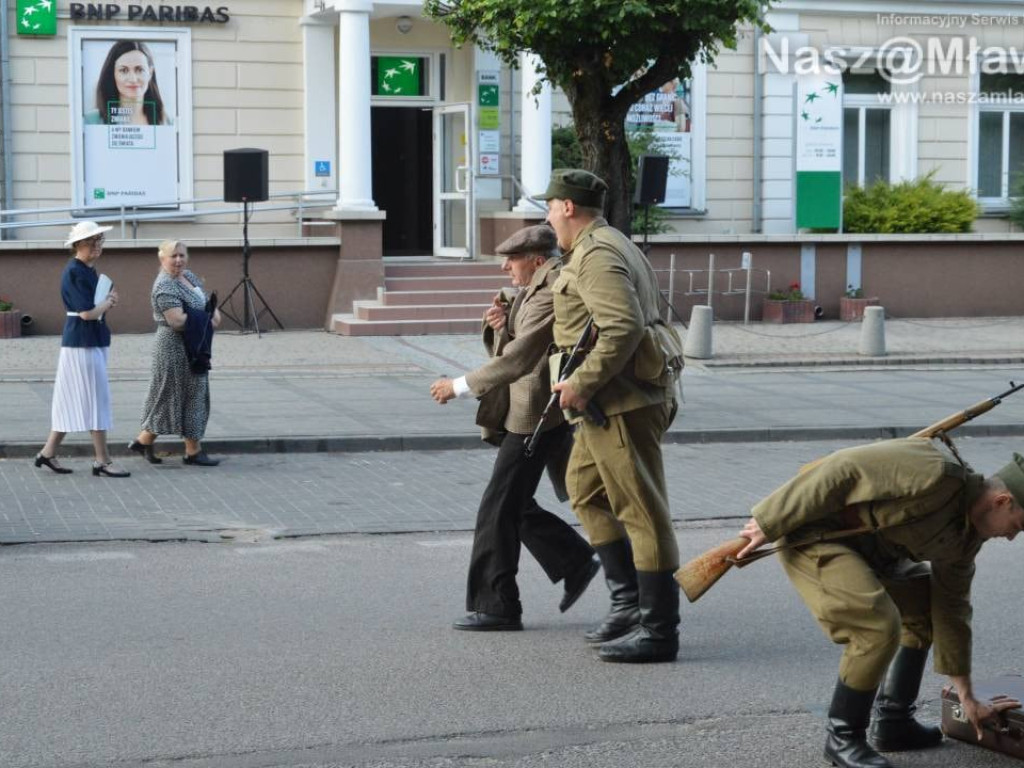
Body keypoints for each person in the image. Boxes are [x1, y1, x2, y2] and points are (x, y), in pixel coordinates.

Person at [735, 436, 1024, 768]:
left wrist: (966, 696)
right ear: (1002, 501)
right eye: (1018, 526)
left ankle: (893, 722)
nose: (1013, 537)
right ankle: (843, 738)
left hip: (872, 553)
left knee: (923, 612)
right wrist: (771, 520)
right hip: (816, 536)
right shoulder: (936, 472)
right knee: (876, 625)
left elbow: (952, 609)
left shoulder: (966, 539)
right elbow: (842, 467)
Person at [534, 169, 683, 663]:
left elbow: (621, 326)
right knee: (585, 490)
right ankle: (629, 604)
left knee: (641, 510)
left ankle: (660, 631)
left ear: (568, 207)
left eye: (551, 207)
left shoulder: (598, 254)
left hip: (621, 403)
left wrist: (581, 382)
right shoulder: (605, 243)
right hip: (608, 402)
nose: (549, 216)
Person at [429, 225, 600, 631]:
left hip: (537, 415)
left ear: (537, 260)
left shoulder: (549, 288)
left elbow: (519, 358)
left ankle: (498, 605)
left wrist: (457, 386)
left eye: (512, 259)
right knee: (514, 504)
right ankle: (574, 561)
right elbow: (521, 340)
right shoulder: (538, 286)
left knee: (498, 507)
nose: (506, 267)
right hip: (538, 411)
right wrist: (504, 322)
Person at [33, 221, 130, 478]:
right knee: (96, 399)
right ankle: (102, 461)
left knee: (71, 399)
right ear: (78, 244)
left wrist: (107, 301)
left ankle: (47, 453)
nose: (97, 246)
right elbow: (87, 313)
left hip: (85, 340)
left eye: (99, 241)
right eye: (92, 242)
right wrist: (108, 302)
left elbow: (91, 309)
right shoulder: (76, 271)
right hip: (83, 341)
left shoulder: (85, 269)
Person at [130, 240, 221, 467]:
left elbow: (207, 302)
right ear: (162, 258)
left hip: (195, 345)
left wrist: (208, 314)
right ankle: (192, 452)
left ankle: (144, 442)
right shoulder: (164, 285)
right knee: (171, 396)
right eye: (173, 256)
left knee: (191, 395)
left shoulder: (189, 276)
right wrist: (206, 317)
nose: (178, 260)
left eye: (182, 255)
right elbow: (178, 321)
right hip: (173, 348)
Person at [86, 40, 168, 126]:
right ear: (113, 74)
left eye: (139, 70)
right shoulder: (91, 121)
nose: (133, 79)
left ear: (150, 73)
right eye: (124, 70)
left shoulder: (167, 121)